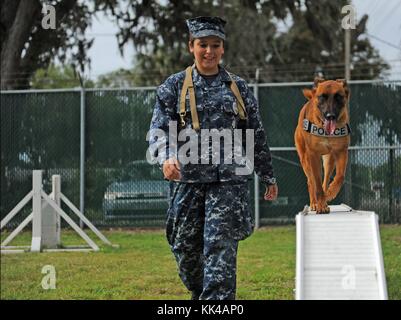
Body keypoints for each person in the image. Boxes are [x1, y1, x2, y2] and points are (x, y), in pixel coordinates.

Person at [148, 16, 278, 300]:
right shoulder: (173, 86)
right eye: (203, 45)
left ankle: (216, 301)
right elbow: (158, 130)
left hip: (228, 183)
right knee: (184, 247)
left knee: (220, 250)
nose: (209, 51)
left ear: (222, 49)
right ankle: (201, 292)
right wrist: (167, 157)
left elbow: (255, 133)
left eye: (215, 45)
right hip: (188, 181)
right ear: (191, 47)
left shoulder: (238, 88)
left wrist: (267, 174)